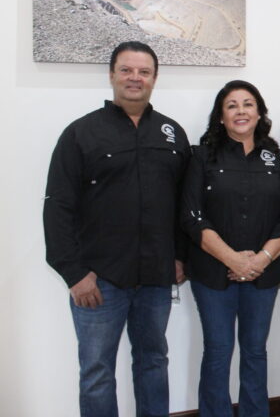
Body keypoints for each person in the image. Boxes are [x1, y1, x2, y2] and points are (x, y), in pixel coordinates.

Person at [43, 41, 190, 417]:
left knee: (154, 363)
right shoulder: (81, 134)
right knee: (96, 374)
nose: (135, 78)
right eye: (126, 70)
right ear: (111, 75)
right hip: (99, 280)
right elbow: (58, 207)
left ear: (155, 78)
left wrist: (180, 257)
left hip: (156, 278)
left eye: (143, 72)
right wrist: (74, 273)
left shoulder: (172, 134)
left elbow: (186, 206)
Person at [179, 80, 280, 416]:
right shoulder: (201, 157)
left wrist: (259, 260)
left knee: (255, 351)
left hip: (263, 274)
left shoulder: (274, 157)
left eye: (248, 104)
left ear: (259, 113)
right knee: (217, 351)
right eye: (232, 105)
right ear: (220, 116)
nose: (241, 111)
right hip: (213, 274)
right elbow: (191, 216)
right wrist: (234, 259)